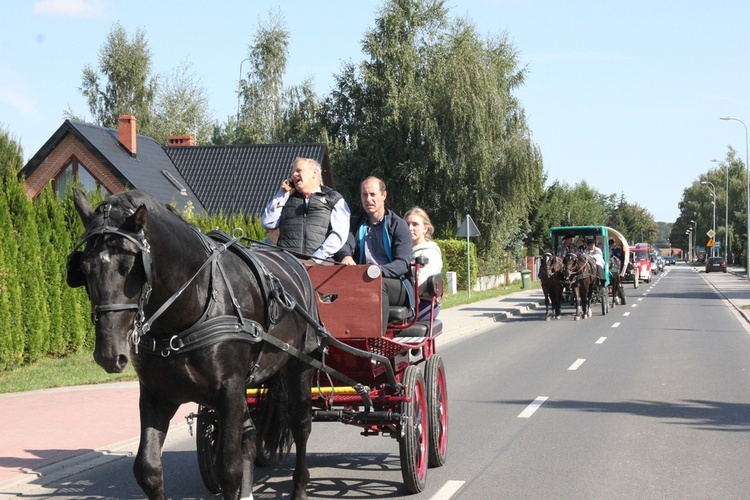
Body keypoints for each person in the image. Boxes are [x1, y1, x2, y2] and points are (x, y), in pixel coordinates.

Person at [337, 176, 414, 332]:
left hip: (396, 283)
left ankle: (377, 337)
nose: (368, 199)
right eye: (364, 195)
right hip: (361, 280)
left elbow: (402, 264)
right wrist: (345, 256)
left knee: (378, 284)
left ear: (384, 196)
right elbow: (344, 244)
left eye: (373, 194)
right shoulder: (355, 223)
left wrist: (376, 271)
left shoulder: (398, 225)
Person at [261, 157, 350, 262]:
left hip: (321, 264)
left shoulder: (334, 198)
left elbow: (339, 235)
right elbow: (268, 223)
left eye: (298, 171)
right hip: (287, 263)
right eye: (293, 172)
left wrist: (316, 259)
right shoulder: (287, 198)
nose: (294, 175)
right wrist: (283, 193)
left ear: (314, 173)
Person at [405, 207, 443, 320]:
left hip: (423, 305)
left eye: (415, 224)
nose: (410, 228)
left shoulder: (430, 252)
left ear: (425, 228)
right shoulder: (403, 250)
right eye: (407, 224)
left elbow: (418, 287)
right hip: (407, 302)